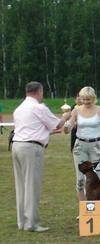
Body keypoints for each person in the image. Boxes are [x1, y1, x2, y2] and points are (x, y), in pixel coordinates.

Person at [11, 81, 70, 232]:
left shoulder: (19, 109)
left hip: (17, 146)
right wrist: (65, 116)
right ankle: (32, 223)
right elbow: (57, 124)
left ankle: (22, 222)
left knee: (21, 185)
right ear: (39, 92)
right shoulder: (39, 107)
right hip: (31, 149)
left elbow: (31, 128)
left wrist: (47, 132)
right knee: (32, 185)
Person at [67, 86, 100, 213]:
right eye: (83, 99)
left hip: (96, 147)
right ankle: (85, 211)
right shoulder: (76, 111)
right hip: (80, 147)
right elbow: (69, 126)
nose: (86, 102)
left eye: (88, 99)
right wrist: (67, 126)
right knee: (80, 180)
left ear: (94, 98)